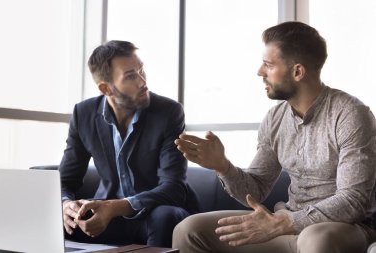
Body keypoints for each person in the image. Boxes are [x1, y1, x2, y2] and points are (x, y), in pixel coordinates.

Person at [172, 21, 376, 253]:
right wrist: (223, 166)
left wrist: (284, 222)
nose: (260, 72)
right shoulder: (274, 118)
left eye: (268, 65)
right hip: (284, 226)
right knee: (189, 230)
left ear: (297, 72)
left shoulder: (351, 114)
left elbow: (353, 200)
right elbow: (256, 189)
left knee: (316, 239)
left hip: (340, 229)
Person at [59, 40, 199, 247]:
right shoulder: (83, 114)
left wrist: (115, 207)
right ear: (106, 88)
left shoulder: (169, 112)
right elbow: (65, 180)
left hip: (156, 213)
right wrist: (65, 205)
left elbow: (174, 188)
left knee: (165, 217)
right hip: (108, 220)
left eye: (142, 70)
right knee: (59, 222)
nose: (143, 82)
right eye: (131, 76)